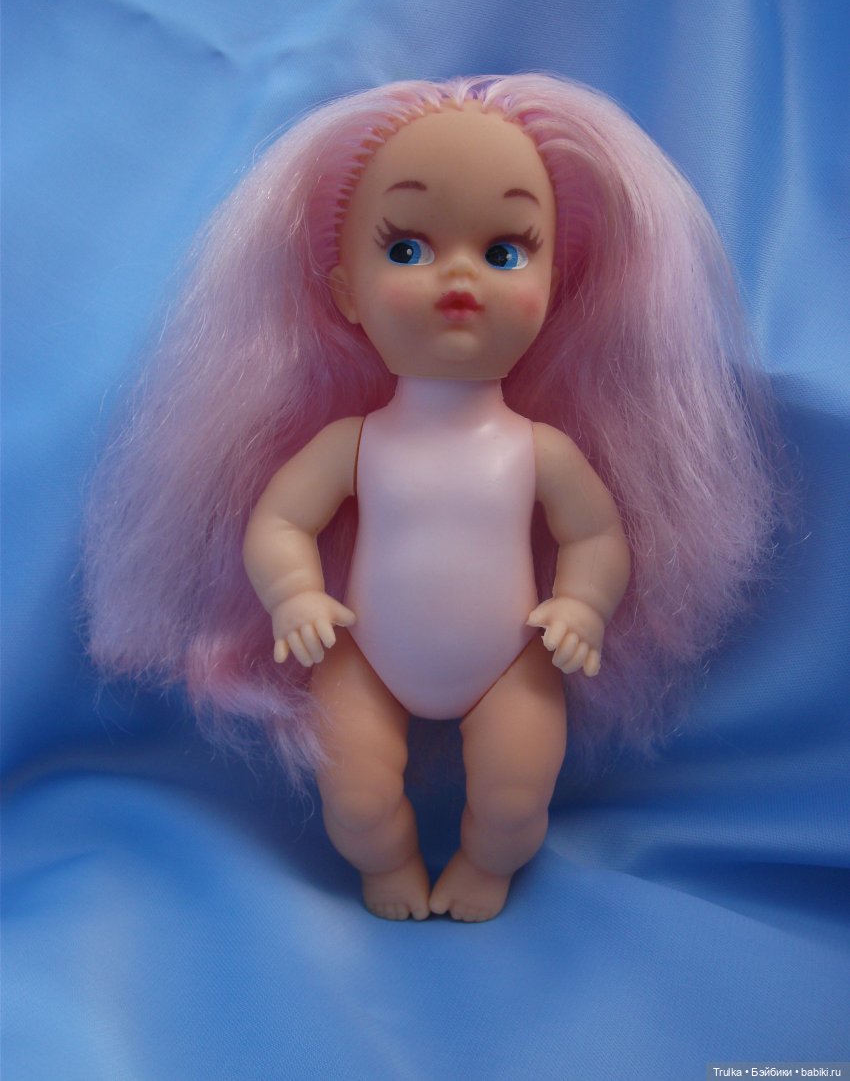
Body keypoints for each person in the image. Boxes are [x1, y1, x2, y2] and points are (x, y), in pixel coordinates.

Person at [85, 75, 780, 921]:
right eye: (407, 250)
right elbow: (281, 519)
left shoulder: (538, 451)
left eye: (504, 252)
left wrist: (582, 603)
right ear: (346, 293)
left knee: (515, 803)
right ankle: (389, 864)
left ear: (555, 286)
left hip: (512, 661)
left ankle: (486, 866)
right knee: (358, 801)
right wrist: (295, 591)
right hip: (362, 656)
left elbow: (596, 535)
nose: (459, 277)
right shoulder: (355, 444)